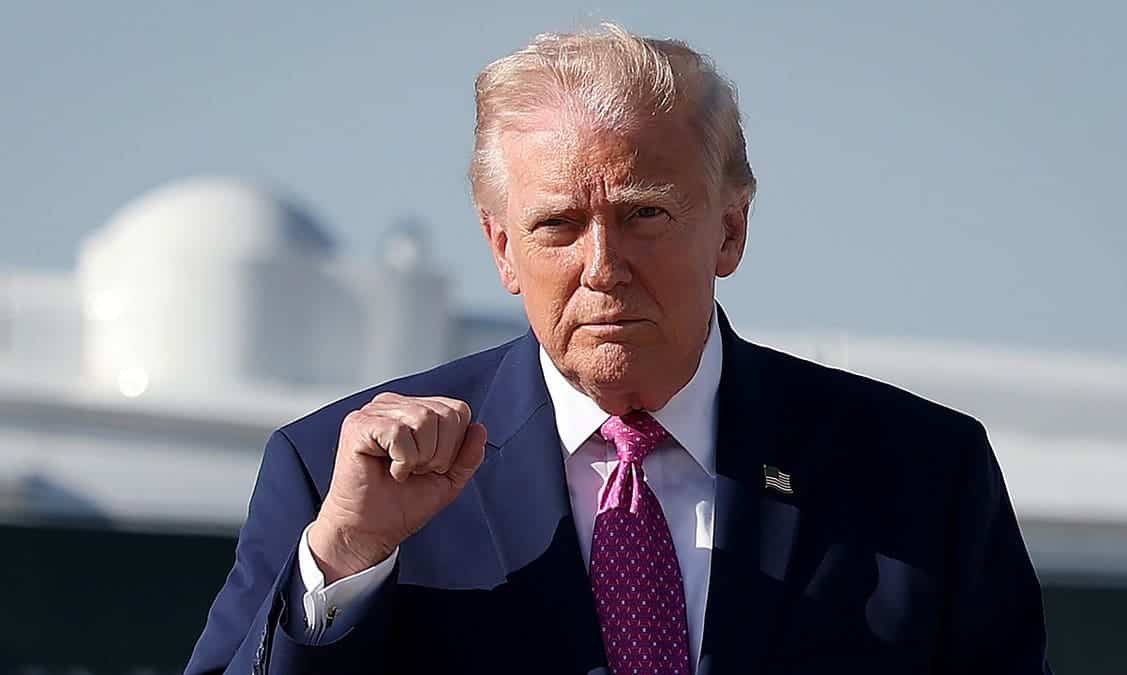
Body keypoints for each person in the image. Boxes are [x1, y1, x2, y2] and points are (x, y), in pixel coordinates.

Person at [184, 23, 1051, 675]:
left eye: (644, 214)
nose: (603, 267)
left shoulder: (921, 475)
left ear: (731, 230)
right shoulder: (335, 475)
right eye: (558, 224)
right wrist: (342, 557)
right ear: (501, 249)